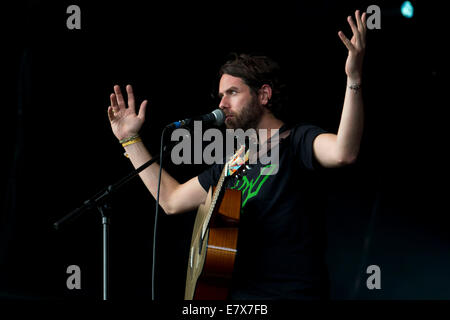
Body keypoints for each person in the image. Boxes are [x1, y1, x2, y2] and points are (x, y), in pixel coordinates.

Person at [107, 10, 367, 300]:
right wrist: (130, 140)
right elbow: (171, 200)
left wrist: (353, 78)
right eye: (220, 95)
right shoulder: (231, 161)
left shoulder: (299, 141)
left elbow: (344, 153)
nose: (222, 103)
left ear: (264, 95)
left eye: (232, 93)